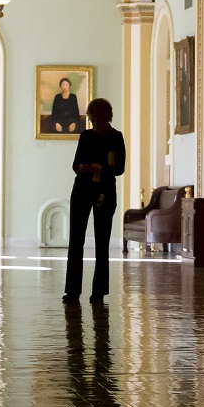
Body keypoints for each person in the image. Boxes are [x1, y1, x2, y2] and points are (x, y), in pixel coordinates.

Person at [63, 98, 125, 305]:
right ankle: (72, 291)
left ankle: (99, 292)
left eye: (100, 119)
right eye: (93, 119)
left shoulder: (116, 137)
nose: (96, 123)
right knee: (76, 240)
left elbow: (119, 168)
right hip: (82, 189)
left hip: (105, 191)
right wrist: (83, 168)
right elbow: (75, 164)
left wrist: (102, 169)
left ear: (108, 117)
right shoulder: (85, 136)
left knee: (102, 241)